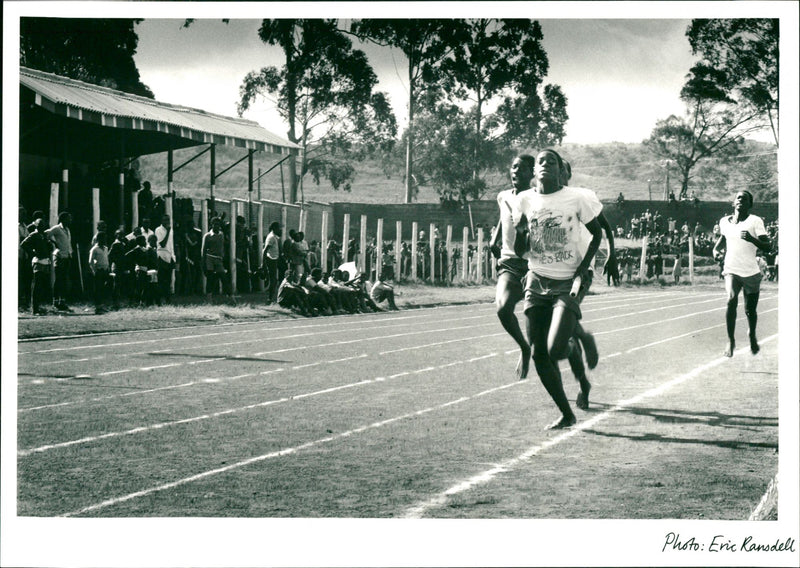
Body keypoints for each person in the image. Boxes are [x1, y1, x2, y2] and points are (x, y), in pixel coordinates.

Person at [514, 149, 603, 430]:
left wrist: (584, 267)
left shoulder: (575, 197)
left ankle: (578, 340)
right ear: (535, 170)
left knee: (554, 349)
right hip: (537, 279)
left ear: (559, 169)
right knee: (539, 352)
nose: (544, 165)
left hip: (568, 280)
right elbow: (521, 251)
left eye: (551, 161)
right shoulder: (524, 200)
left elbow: (598, 232)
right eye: (540, 161)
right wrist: (519, 232)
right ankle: (567, 413)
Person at [488, 154, 536, 380]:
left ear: (532, 173)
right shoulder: (503, 196)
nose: (516, 171)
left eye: (522, 168)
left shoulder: (537, 197)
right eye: (514, 167)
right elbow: (503, 216)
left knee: (538, 321)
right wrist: (493, 239)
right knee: (503, 308)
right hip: (508, 262)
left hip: (533, 264)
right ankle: (524, 347)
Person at [712, 190, 771, 357]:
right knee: (731, 300)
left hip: (751, 272)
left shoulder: (755, 221)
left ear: (749, 205)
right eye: (738, 198)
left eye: (744, 199)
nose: (740, 201)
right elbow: (720, 243)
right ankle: (730, 340)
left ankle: (751, 335)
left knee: (749, 311)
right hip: (731, 269)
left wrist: (752, 239)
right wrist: (716, 252)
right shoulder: (725, 222)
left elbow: (768, 246)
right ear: (733, 203)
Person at [20, 218, 53, 315]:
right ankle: (34, 308)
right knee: (37, 284)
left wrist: (49, 245)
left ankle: (39, 307)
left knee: (42, 285)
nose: (42, 226)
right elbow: (24, 244)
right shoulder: (34, 235)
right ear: (36, 226)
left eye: (43, 225)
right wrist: (32, 252)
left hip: (46, 261)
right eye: (40, 225)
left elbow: (49, 247)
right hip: (38, 261)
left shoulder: (44, 235)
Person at [44, 211, 74, 312]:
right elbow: (46, 234)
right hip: (59, 256)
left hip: (67, 256)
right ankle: (55, 302)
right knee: (59, 279)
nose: (70, 220)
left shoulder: (67, 229)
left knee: (64, 280)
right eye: (68, 218)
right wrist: (54, 243)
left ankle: (62, 302)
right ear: (63, 219)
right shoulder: (57, 228)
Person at [202, 217, 228, 298]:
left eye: (218, 224)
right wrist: (203, 263)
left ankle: (231, 297)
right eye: (215, 224)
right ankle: (209, 298)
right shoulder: (207, 236)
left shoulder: (221, 235)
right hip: (209, 258)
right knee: (210, 278)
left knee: (224, 277)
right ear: (211, 225)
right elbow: (203, 250)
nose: (217, 226)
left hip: (218, 260)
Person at [155, 214, 175, 302]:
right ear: (161, 221)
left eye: (168, 220)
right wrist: (167, 232)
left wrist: (173, 257)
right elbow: (162, 244)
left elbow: (170, 245)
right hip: (161, 256)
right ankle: (158, 299)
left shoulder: (171, 230)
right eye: (165, 220)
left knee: (168, 279)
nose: (167, 222)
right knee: (161, 279)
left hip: (170, 256)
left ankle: (168, 299)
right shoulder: (158, 230)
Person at [89, 232, 111, 313]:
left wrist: (108, 268)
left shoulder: (105, 248)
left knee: (104, 289)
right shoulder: (94, 249)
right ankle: (97, 307)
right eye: (103, 238)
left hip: (105, 270)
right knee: (98, 289)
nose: (104, 240)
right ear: (99, 239)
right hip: (99, 271)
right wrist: (94, 271)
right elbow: (90, 261)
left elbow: (106, 259)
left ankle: (102, 306)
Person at [261, 222, 282, 304]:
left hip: (274, 259)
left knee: (274, 280)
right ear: (274, 228)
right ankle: (270, 298)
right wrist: (263, 263)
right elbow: (265, 250)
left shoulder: (274, 237)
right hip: (271, 260)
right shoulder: (271, 237)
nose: (279, 230)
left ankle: (271, 298)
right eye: (278, 228)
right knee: (273, 280)